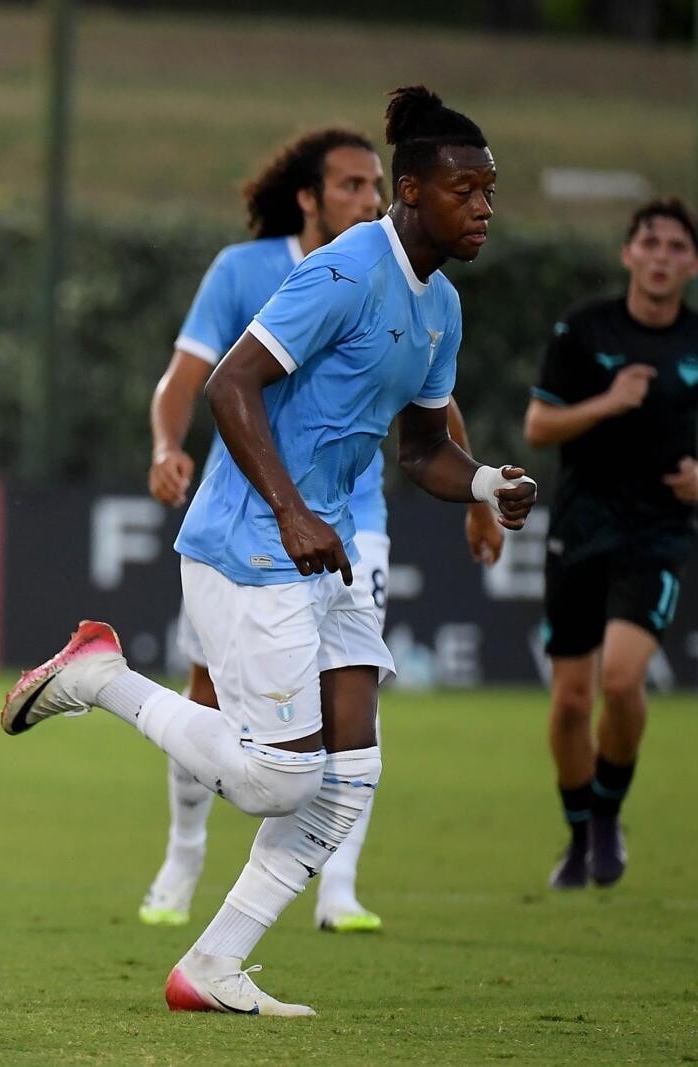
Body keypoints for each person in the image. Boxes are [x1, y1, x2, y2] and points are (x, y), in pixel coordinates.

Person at [3, 86, 535, 1017]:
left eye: (490, 191)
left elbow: (420, 451)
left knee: (351, 776)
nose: (484, 207)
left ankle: (211, 966)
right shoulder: (345, 270)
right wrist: (290, 510)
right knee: (278, 780)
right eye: (466, 191)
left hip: (326, 552)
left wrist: (487, 482)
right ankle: (101, 677)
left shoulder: (442, 307)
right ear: (411, 191)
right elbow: (229, 385)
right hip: (250, 543)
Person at [144, 128, 504, 934]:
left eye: (371, 183)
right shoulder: (282, 271)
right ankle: (180, 847)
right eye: (350, 184)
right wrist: (169, 449)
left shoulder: (432, 296)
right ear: (309, 197)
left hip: (347, 524)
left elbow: (427, 416)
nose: (364, 198)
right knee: (254, 749)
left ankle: (326, 895)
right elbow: (201, 379)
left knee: (352, 736)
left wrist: (481, 486)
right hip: (254, 522)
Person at [525, 197, 698, 890]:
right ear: (628, 254)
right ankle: (578, 834)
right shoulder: (583, 329)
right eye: (649, 243)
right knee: (569, 701)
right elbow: (538, 426)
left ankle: (607, 816)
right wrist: (608, 402)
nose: (661, 257)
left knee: (620, 681)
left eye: (677, 247)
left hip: (657, 532)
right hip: (579, 527)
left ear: (695, 264)